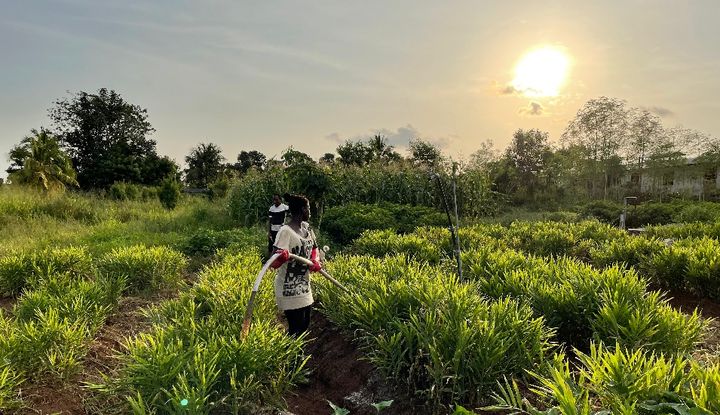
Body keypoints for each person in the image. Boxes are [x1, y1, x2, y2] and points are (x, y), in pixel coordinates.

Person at [269, 193, 322, 336]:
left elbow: (314, 248)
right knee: (296, 328)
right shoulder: (285, 232)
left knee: (305, 324)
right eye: (309, 208)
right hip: (288, 287)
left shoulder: (307, 228)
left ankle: (297, 354)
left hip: (304, 284)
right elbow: (272, 263)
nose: (310, 211)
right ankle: (293, 356)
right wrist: (281, 257)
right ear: (304, 210)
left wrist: (315, 260)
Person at [268, 194, 289, 258]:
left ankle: (280, 259)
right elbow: (270, 220)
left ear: (280, 199)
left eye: (276, 200)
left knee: (280, 245)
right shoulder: (271, 208)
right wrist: (269, 232)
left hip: (281, 229)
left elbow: (291, 216)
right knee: (271, 245)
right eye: (274, 200)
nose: (275, 202)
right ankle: (270, 259)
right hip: (273, 229)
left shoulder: (285, 207)